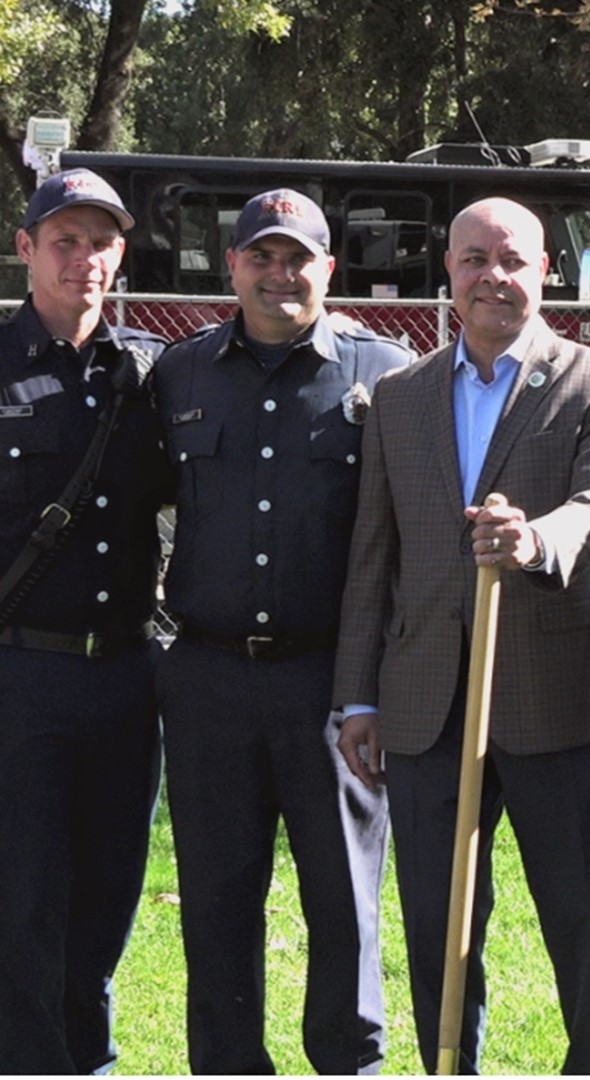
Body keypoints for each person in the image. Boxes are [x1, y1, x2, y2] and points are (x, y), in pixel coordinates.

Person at [332, 196, 590, 1074]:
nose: (492, 278)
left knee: (584, 924)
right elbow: (373, 557)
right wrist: (360, 696)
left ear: (544, 270)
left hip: (563, 701)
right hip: (428, 707)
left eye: (512, 260)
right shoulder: (399, 396)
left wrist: (536, 539)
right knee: (439, 928)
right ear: (449, 271)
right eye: (474, 260)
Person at [151, 188, 408, 1074]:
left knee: (344, 903)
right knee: (218, 903)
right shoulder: (179, 374)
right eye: (260, 256)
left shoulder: (387, 373)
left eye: (298, 257)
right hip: (209, 682)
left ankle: (349, 1065)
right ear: (233, 267)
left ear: (329, 269)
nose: (279, 273)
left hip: (333, 686)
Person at [0, 168, 170, 1073]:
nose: (83, 258)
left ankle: (89, 1061)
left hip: (126, 678)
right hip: (21, 677)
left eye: (100, 241)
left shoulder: (150, 374)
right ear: (26, 249)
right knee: (23, 904)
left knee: (108, 897)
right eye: (63, 239)